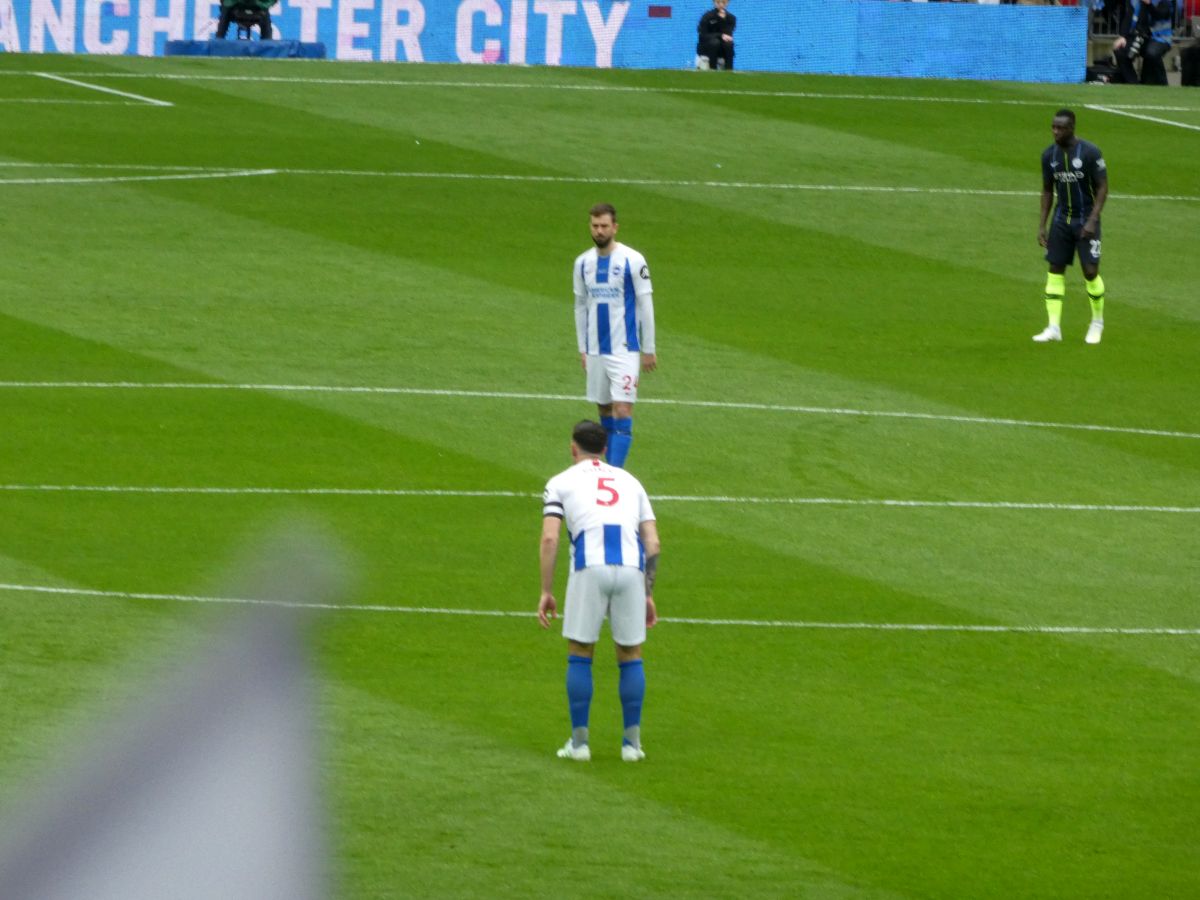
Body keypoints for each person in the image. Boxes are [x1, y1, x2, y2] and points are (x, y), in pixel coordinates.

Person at [538, 420, 661, 763]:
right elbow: (652, 542)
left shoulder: (560, 482)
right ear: (606, 448)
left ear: (573, 448)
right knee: (630, 654)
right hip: (632, 572)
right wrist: (647, 592)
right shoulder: (631, 481)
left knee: (580, 650)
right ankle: (631, 745)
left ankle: (579, 745)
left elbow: (550, 538)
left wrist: (546, 591)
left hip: (589, 568)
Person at [572, 203, 657, 468]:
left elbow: (645, 304)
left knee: (622, 409)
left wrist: (648, 348)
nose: (599, 231)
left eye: (604, 226)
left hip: (626, 349)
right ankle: (607, 467)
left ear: (615, 227)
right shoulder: (582, 263)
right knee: (604, 409)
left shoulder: (634, 260)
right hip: (597, 349)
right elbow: (580, 307)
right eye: (595, 226)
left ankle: (615, 472)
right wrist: (582, 348)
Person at [1035, 109, 1109, 345]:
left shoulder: (1089, 152)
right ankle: (1053, 327)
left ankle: (1097, 322)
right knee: (1055, 269)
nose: (1055, 131)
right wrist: (1042, 225)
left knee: (1090, 272)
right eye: (1053, 127)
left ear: (1072, 128)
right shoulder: (1049, 155)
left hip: (1086, 220)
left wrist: (1092, 220)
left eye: (1060, 128)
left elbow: (1102, 188)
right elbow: (1047, 189)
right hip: (1061, 220)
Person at [1112, 0, 1176, 86]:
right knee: (1120, 50)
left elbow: (1161, 15)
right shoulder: (1134, 1)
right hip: (1140, 36)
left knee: (1151, 53)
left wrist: (1149, 4)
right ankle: (1133, 84)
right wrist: (1123, 36)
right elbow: (1128, 18)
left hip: (1161, 38)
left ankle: (1163, 84)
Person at [696, 0, 736, 71]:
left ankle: (729, 70)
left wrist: (722, 19)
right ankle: (712, 68)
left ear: (727, 3)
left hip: (722, 49)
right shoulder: (707, 16)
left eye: (723, 2)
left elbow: (728, 35)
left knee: (729, 44)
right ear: (714, 3)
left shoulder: (731, 18)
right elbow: (702, 36)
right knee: (714, 42)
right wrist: (720, 35)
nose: (721, 5)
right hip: (706, 49)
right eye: (718, 2)